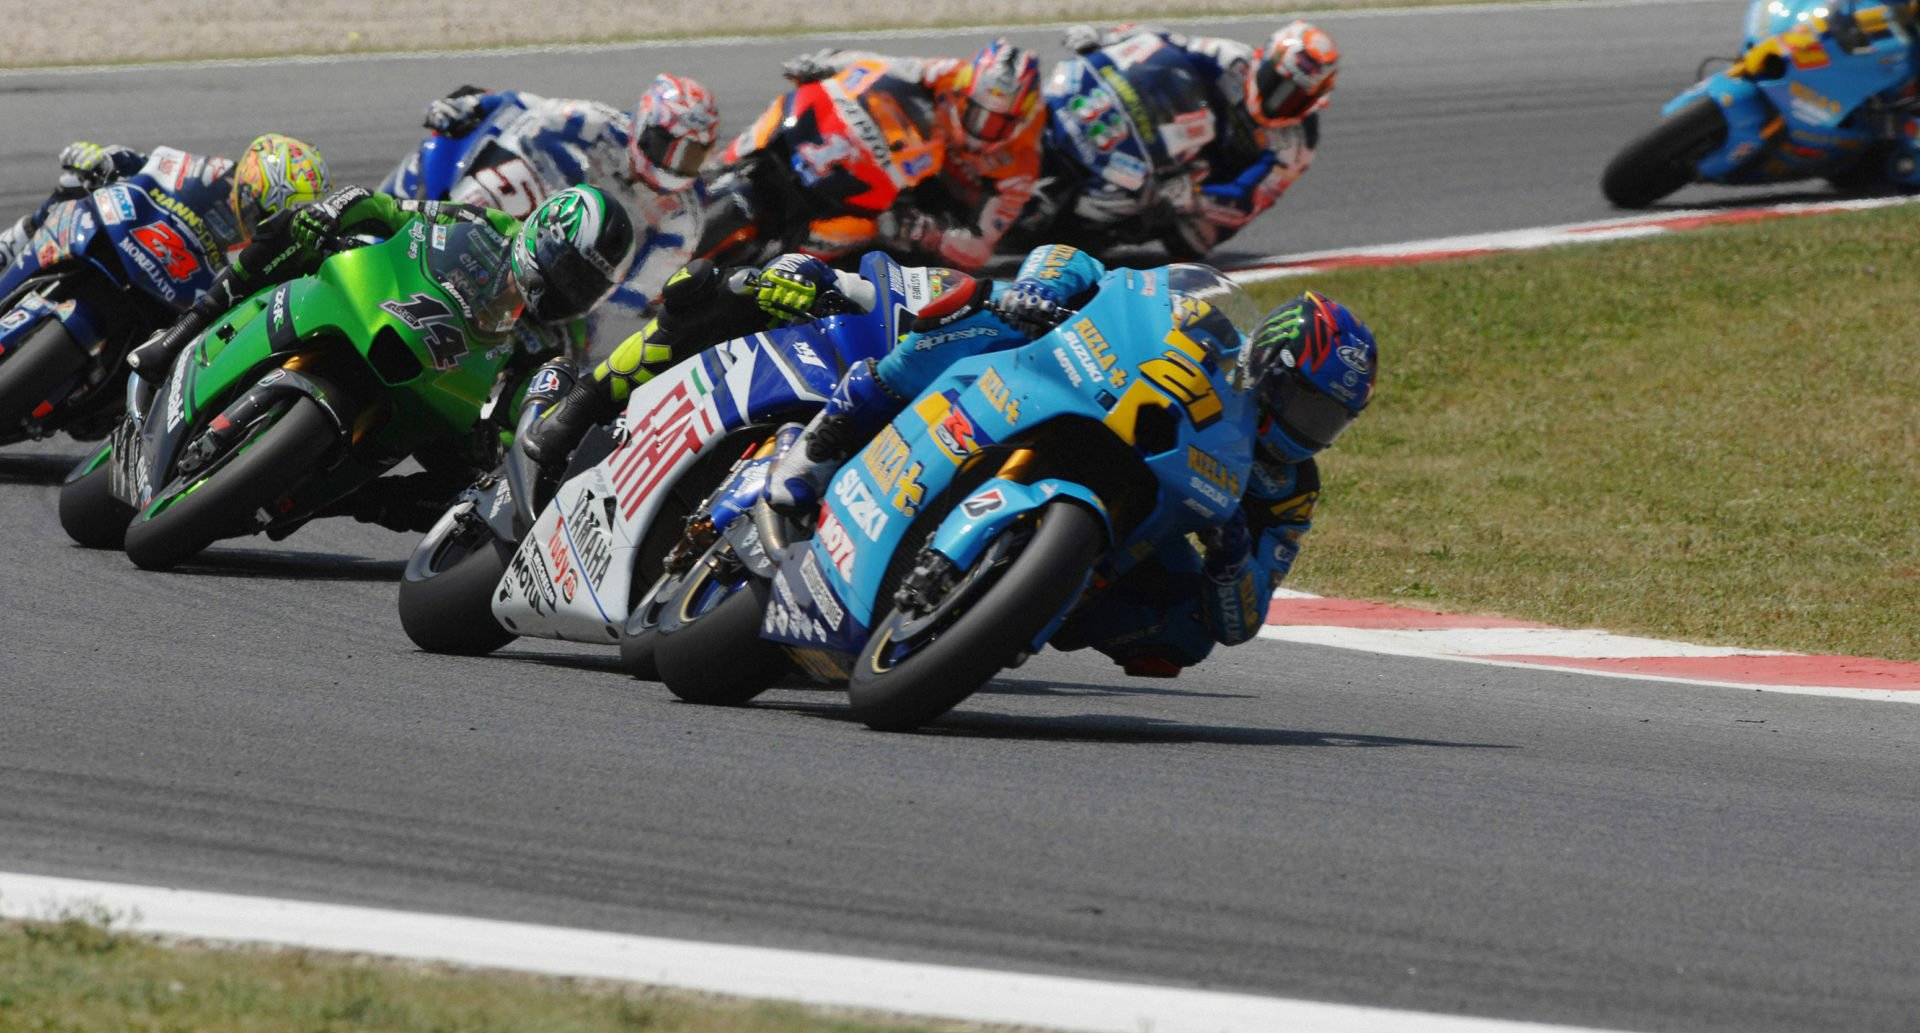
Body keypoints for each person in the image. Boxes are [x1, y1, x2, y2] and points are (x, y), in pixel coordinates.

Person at [754, 247, 1374, 678]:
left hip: (1145, 510)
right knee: (986, 307)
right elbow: (1100, 272)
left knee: (1183, 637)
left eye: (1327, 421)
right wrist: (1044, 292)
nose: (1305, 428)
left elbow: (1244, 618)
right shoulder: (1213, 336)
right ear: (1270, 368)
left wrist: (1232, 559)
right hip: (1078, 396)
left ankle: (1020, 607)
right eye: (1305, 404)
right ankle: (837, 429)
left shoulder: (1290, 488)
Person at [128, 183, 636, 530]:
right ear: (544, 235)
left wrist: (494, 440)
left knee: (467, 495)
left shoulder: (551, 342)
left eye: (583, 287)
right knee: (293, 228)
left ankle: (337, 499)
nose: (568, 292)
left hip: (439, 393)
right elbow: (390, 210)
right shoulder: (483, 223)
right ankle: (182, 331)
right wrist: (335, 214)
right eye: (569, 272)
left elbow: (524, 410)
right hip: (383, 315)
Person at [401, 74, 718, 317]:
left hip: (576, 288)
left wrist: (576, 283)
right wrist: (473, 107)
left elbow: (638, 292)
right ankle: (421, 219)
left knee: (561, 349)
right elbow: (527, 107)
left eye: (690, 155)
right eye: (668, 145)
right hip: (540, 221)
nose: (674, 164)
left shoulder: (682, 217)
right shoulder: (601, 124)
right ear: (644, 125)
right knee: (472, 135)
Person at [1060, 20, 1339, 256]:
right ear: (1263, 58)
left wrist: (1196, 198)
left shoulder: (1296, 145)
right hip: (1179, 136)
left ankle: (1098, 234)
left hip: (1211, 188)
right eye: (1277, 83)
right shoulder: (1231, 58)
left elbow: (1250, 198)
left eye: (1296, 97)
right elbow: (1164, 43)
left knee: (1194, 239)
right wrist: (1105, 39)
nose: (1281, 100)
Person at [779, 38, 1044, 270]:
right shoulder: (950, 73)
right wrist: (828, 63)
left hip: (945, 213)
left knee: (885, 246)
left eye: (997, 123)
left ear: (1020, 119)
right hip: (909, 164)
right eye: (975, 112)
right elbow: (887, 67)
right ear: (965, 92)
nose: (981, 129)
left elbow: (981, 248)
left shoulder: (1021, 163)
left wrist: (940, 237)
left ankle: (812, 266)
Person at [0, 134, 328, 281]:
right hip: (138, 242)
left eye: (266, 217)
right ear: (244, 174)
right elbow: (147, 164)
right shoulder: (207, 171)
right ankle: (12, 244)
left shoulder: (274, 255)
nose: (250, 216)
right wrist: (103, 159)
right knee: (75, 186)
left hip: (179, 301)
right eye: (250, 201)